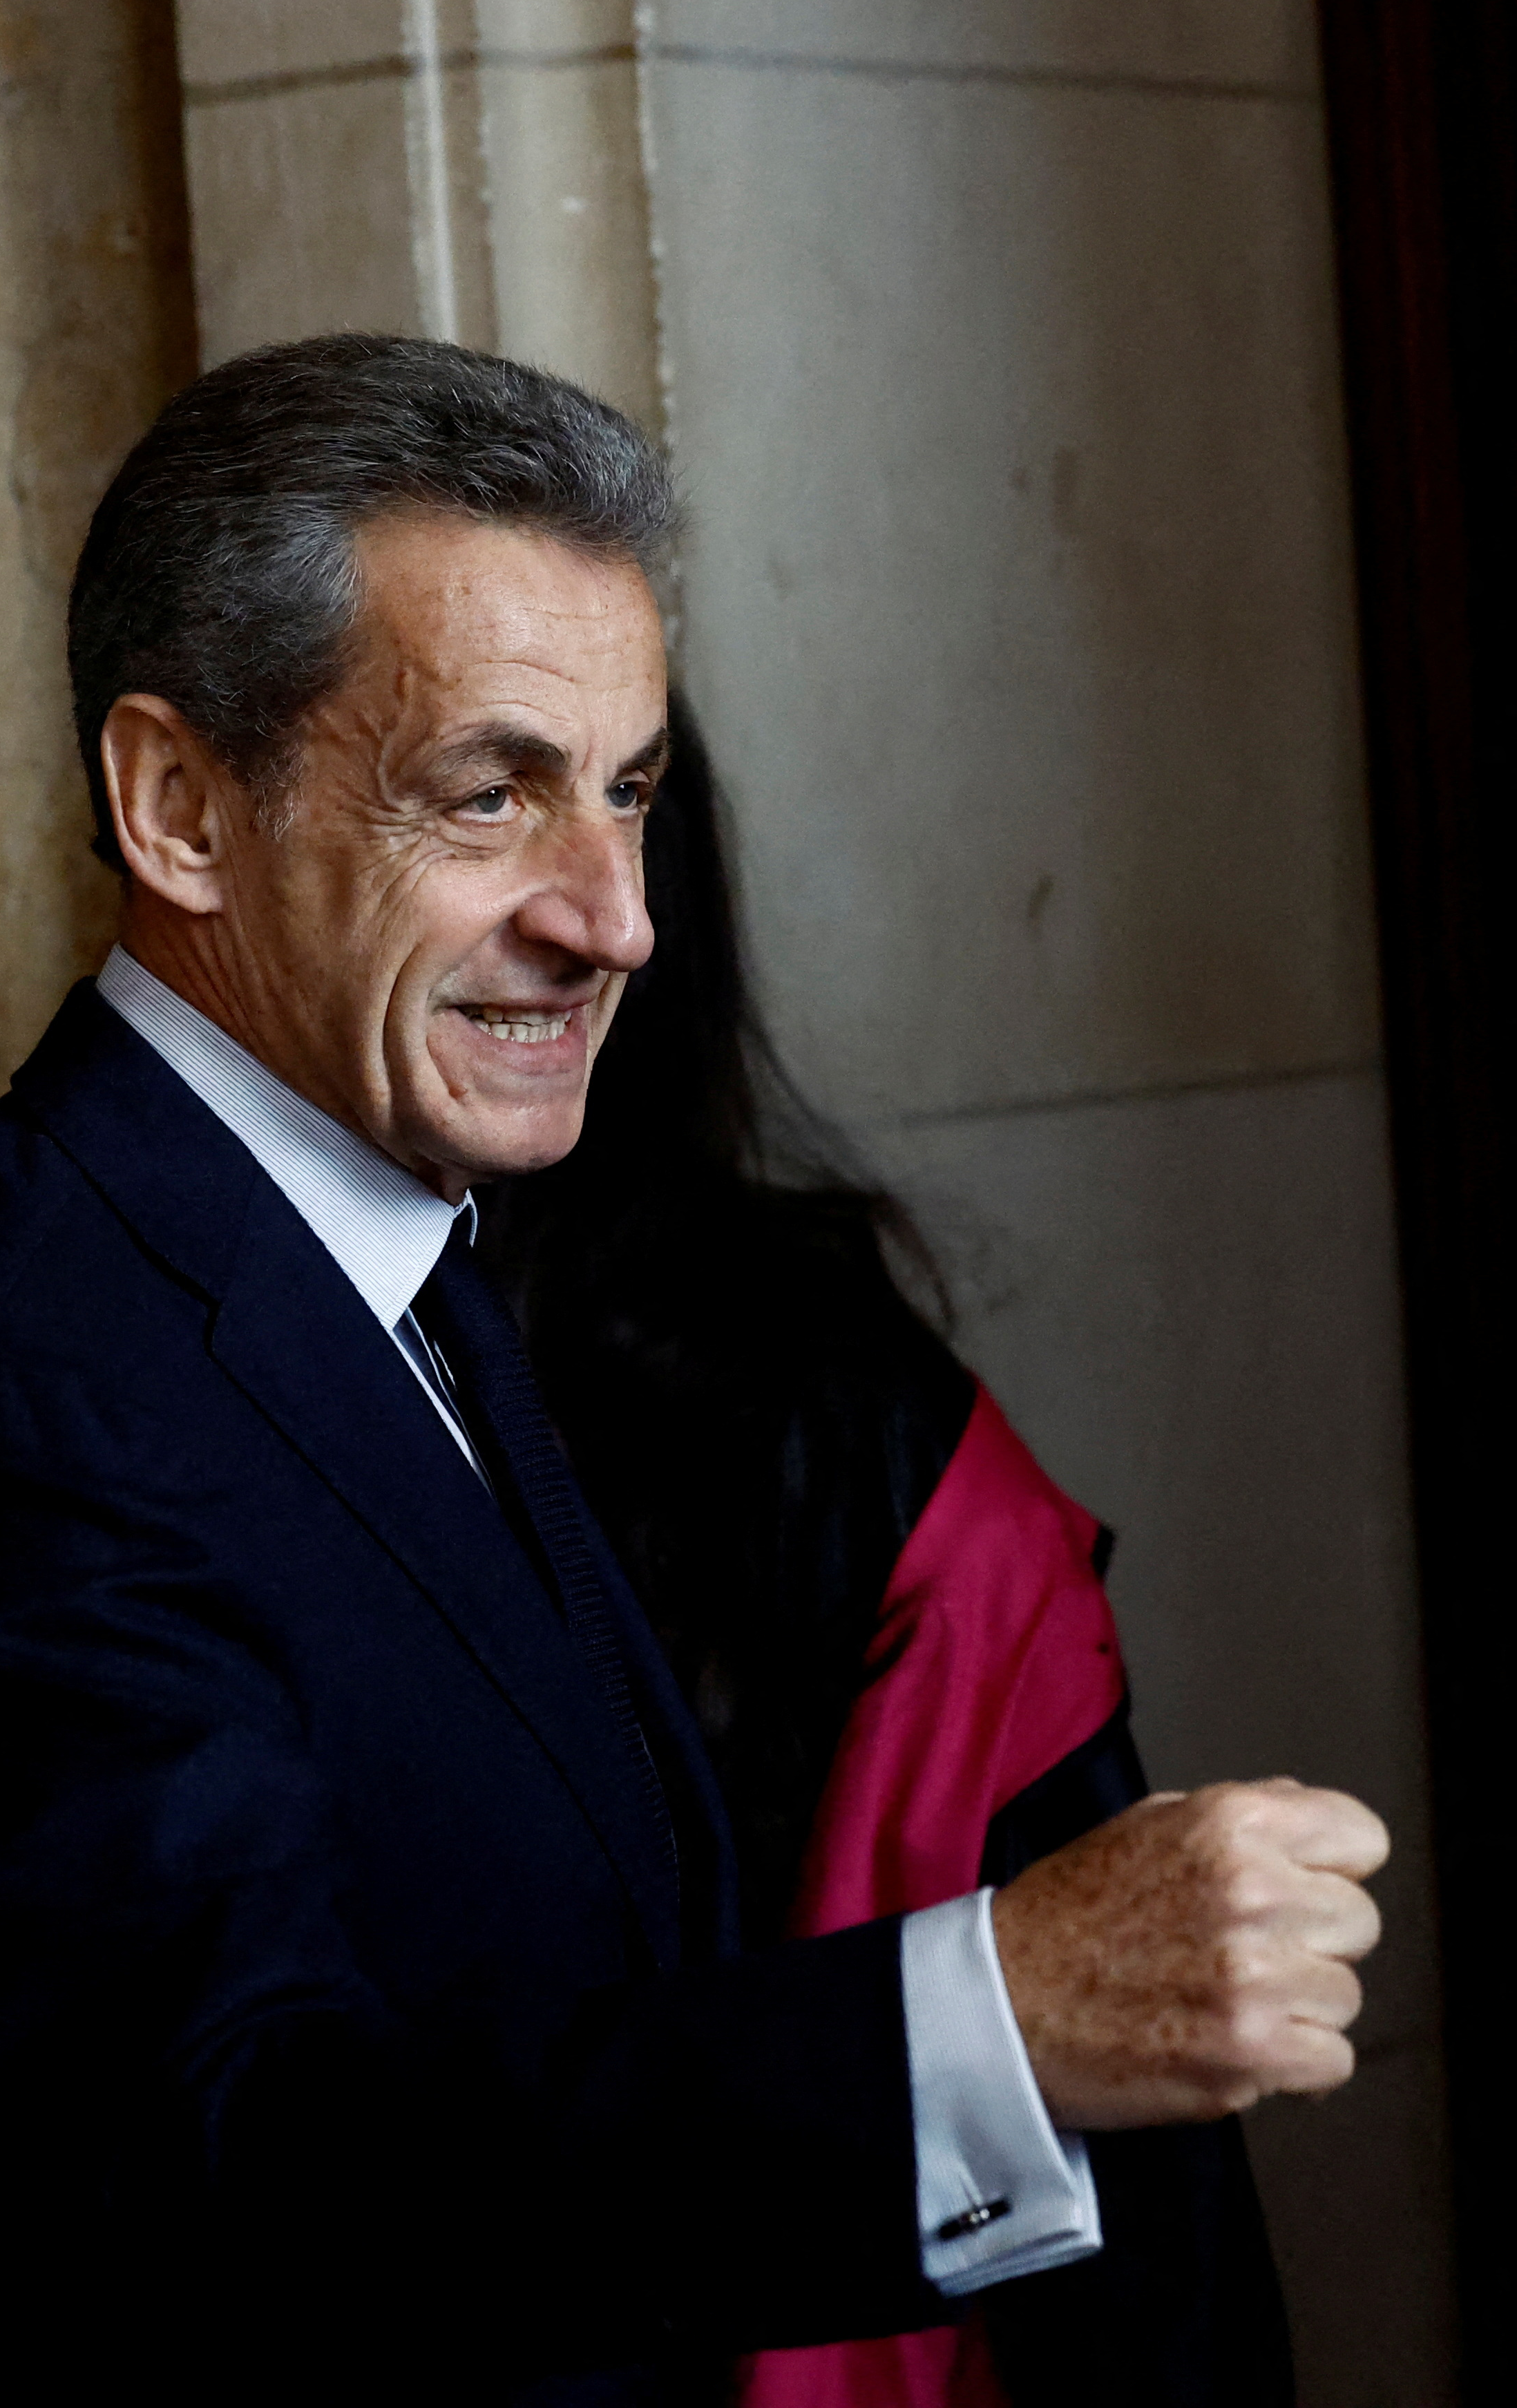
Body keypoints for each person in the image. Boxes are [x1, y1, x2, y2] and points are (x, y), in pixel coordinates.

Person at [0, 335, 1387, 2405]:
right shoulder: (8, 1391)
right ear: (176, 806)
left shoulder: (393, 1244)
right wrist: (987, 2024)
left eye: (629, 792)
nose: (617, 919)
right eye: (488, 792)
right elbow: (237, 2193)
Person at [486, 704, 1293, 2407]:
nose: (580, 910)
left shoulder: (855, 1443)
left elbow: (1130, 2205)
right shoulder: (200, 1386)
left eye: (614, 798)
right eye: (476, 799)